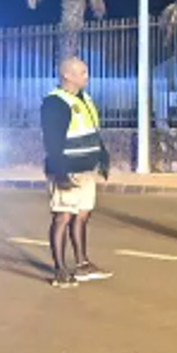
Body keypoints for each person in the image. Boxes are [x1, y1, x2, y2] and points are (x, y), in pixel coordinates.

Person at [40, 57, 113, 288]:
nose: (87, 76)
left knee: (82, 215)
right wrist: (60, 173)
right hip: (67, 170)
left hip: (86, 170)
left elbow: (92, 131)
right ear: (67, 75)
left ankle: (82, 265)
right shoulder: (55, 103)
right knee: (63, 216)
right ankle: (60, 270)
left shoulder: (84, 99)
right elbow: (52, 141)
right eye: (82, 72)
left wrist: (102, 157)